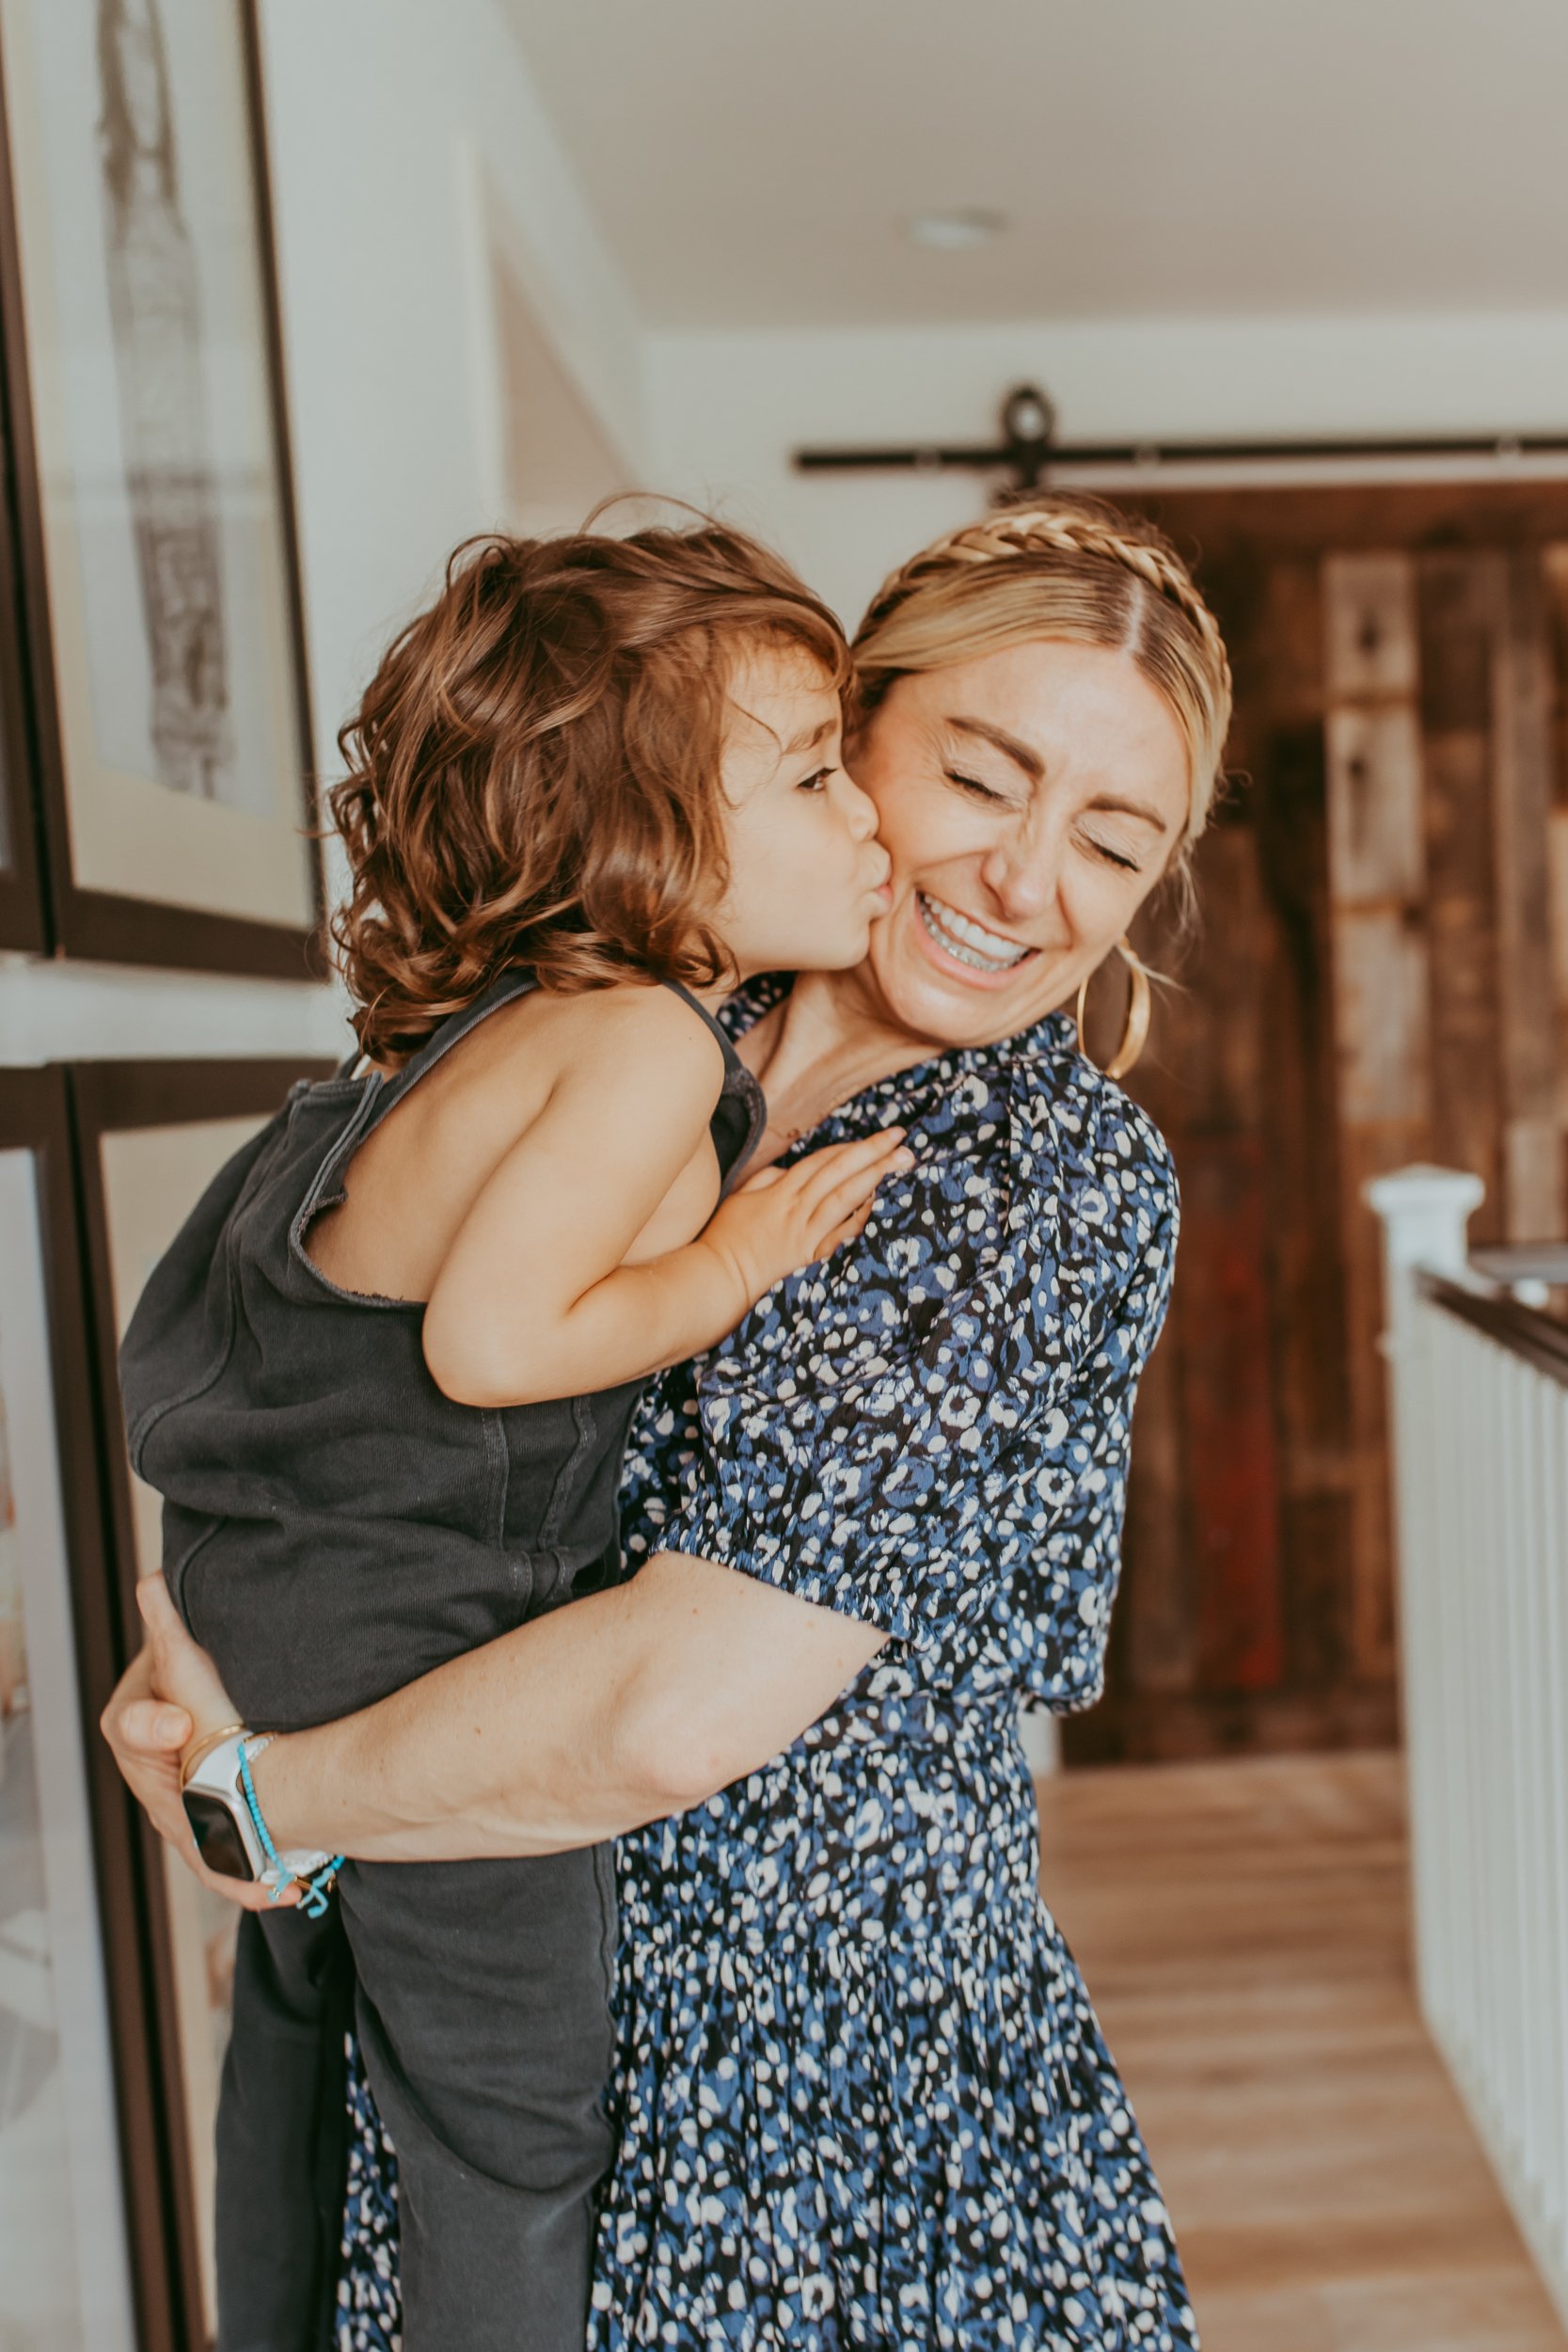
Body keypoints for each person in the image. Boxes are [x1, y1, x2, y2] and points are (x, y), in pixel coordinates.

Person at [107, 493, 1232, 2351]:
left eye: (1113, 841)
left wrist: (266, 1793)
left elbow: (672, 1705)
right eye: (981, 773)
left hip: (801, 2105)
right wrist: (211, 1660)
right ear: (846, 733)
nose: (1030, 881)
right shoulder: (601, 1002)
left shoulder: (1044, 1181)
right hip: (462, 2012)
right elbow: (330, 1403)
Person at [115, 518, 905, 2352]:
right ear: (639, 839)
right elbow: (489, 1347)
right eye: (808, 771)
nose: (863, 809)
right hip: (413, 1631)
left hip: (287, 1614)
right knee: (507, 2119)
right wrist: (728, 1262)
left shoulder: (458, 1035)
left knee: (300, 2044)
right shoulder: (636, 1039)